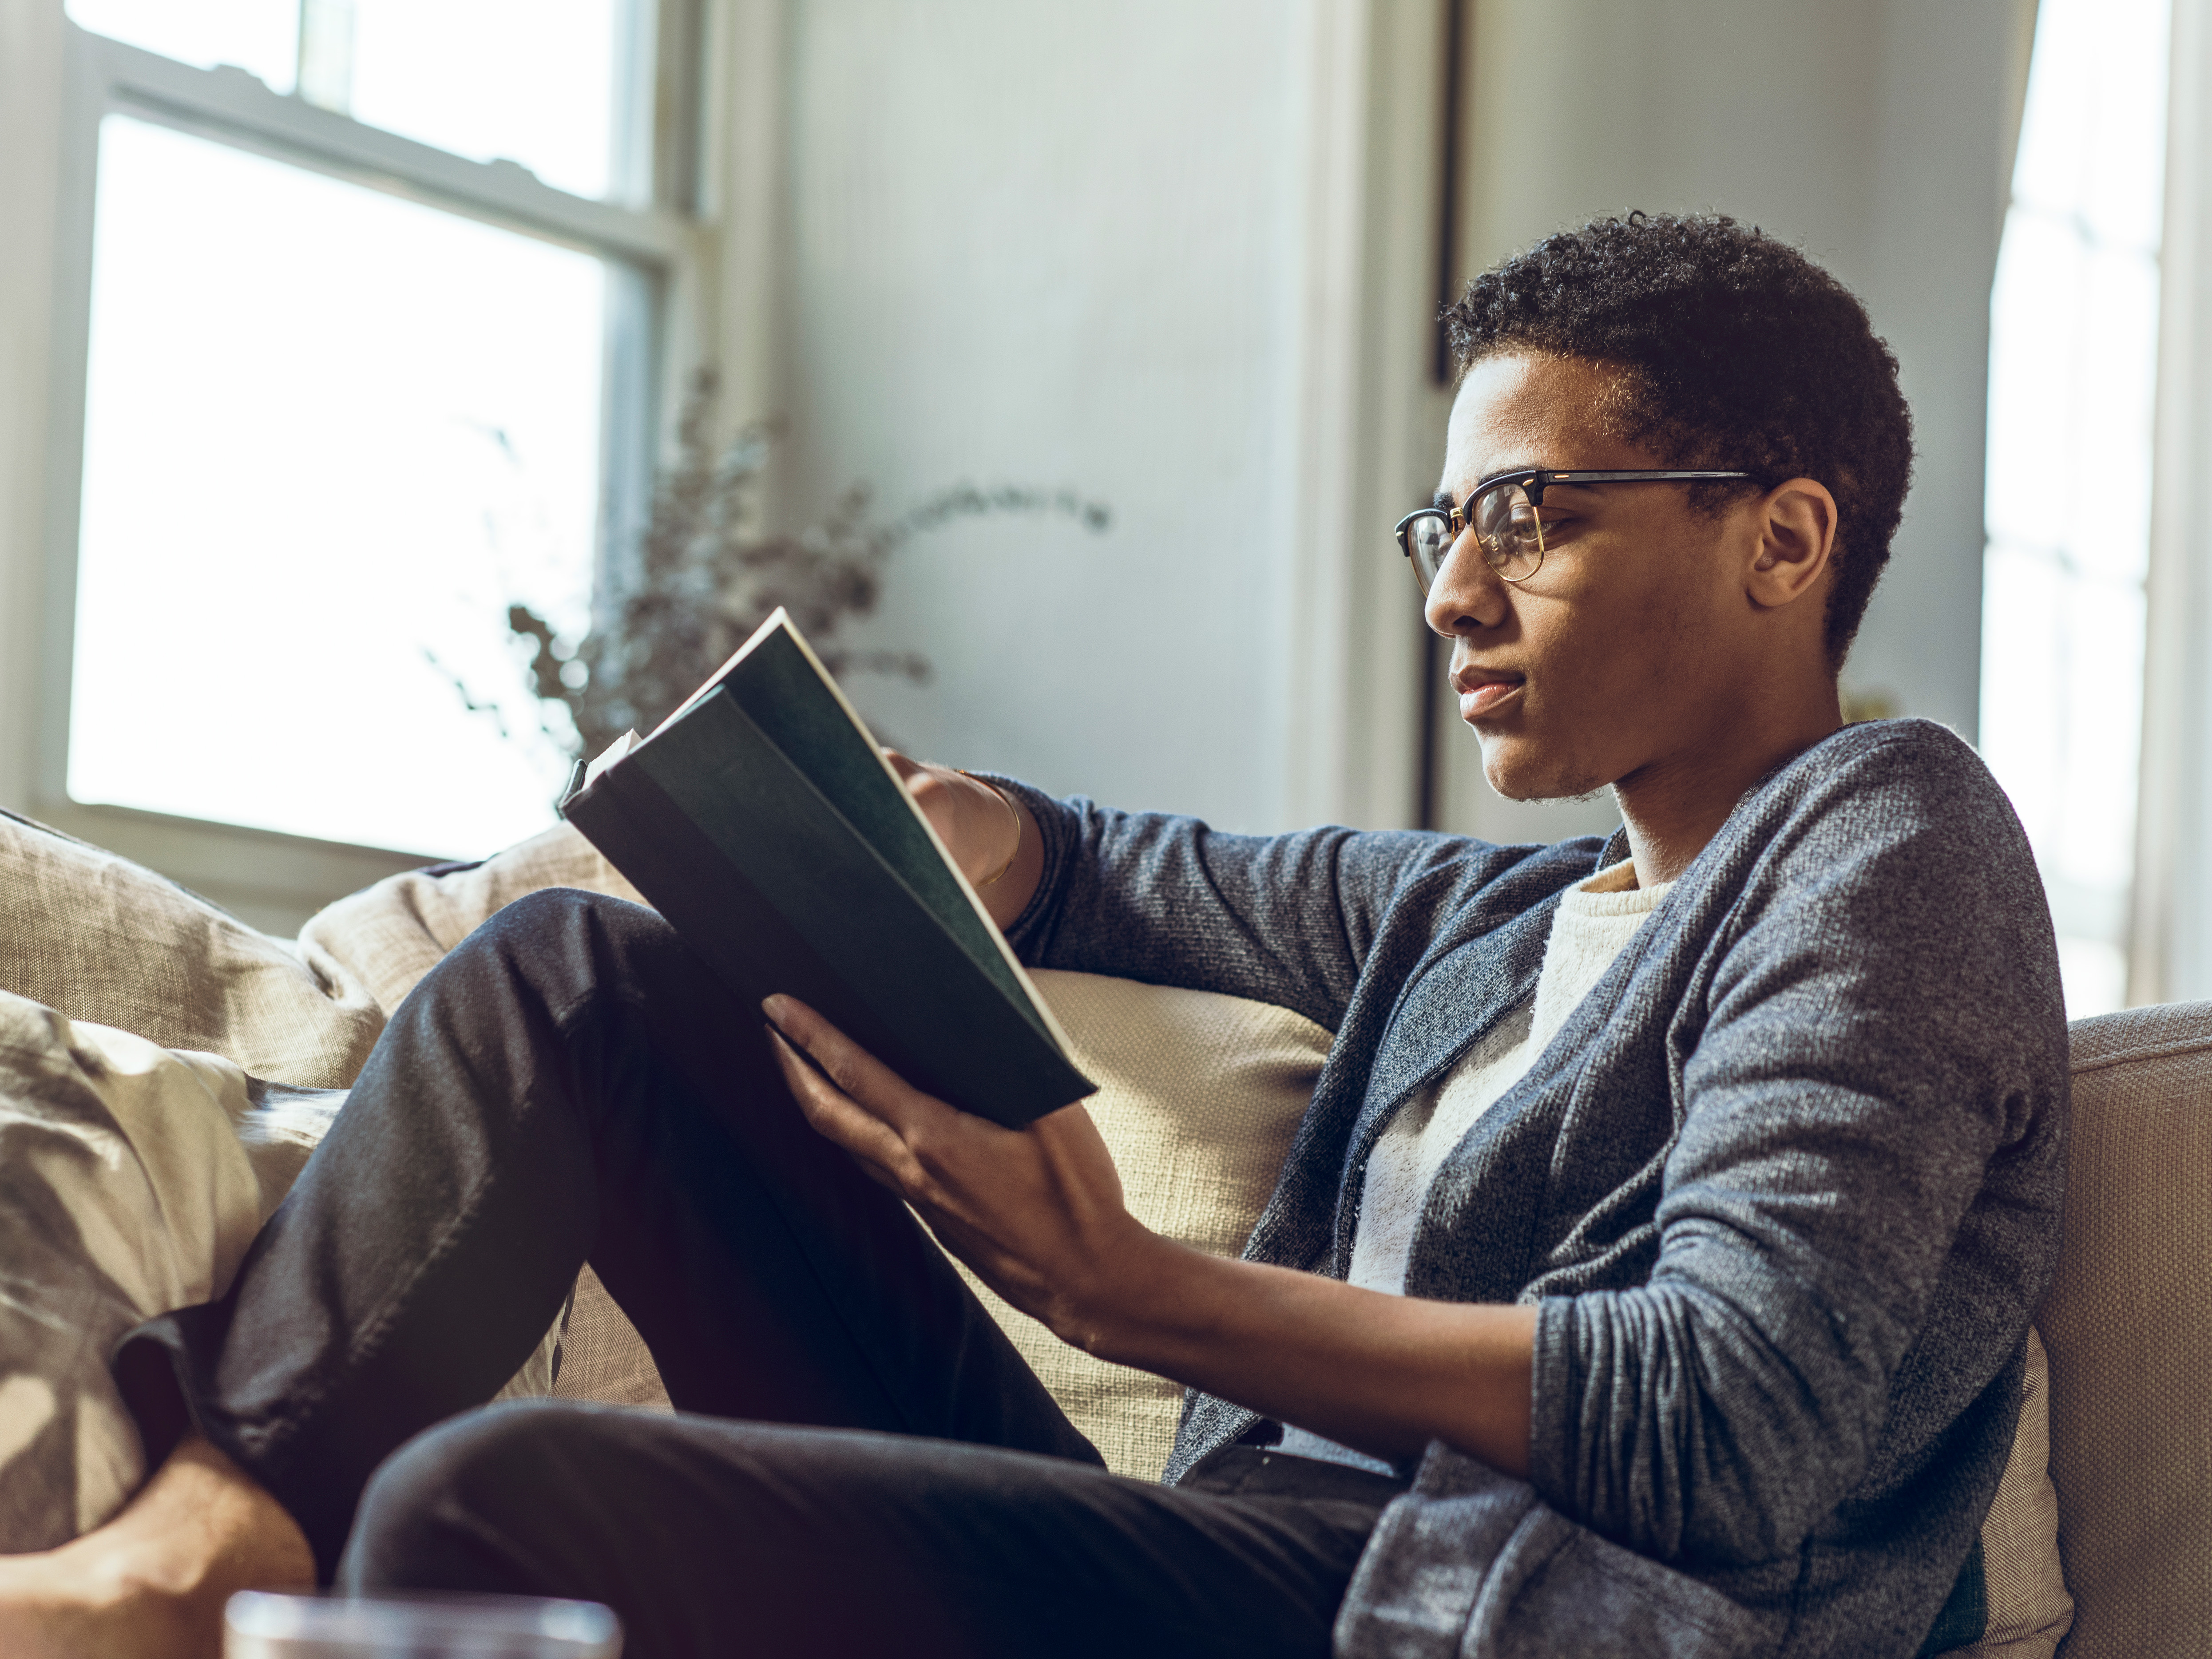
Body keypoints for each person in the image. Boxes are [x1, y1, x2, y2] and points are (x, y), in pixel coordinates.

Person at [0, 212, 2065, 1659]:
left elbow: (1728, 1416)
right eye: (1445, 526)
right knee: (562, 984)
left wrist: (1128, 1287)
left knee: (505, 1505)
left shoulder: (1885, 844)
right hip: (1214, 1561)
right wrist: (971, 843)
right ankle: (191, 1557)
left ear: (1783, 535)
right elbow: (1124, 867)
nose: (1452, 590)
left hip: (1453, 1624)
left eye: (1530, 514)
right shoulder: (1492, 908)